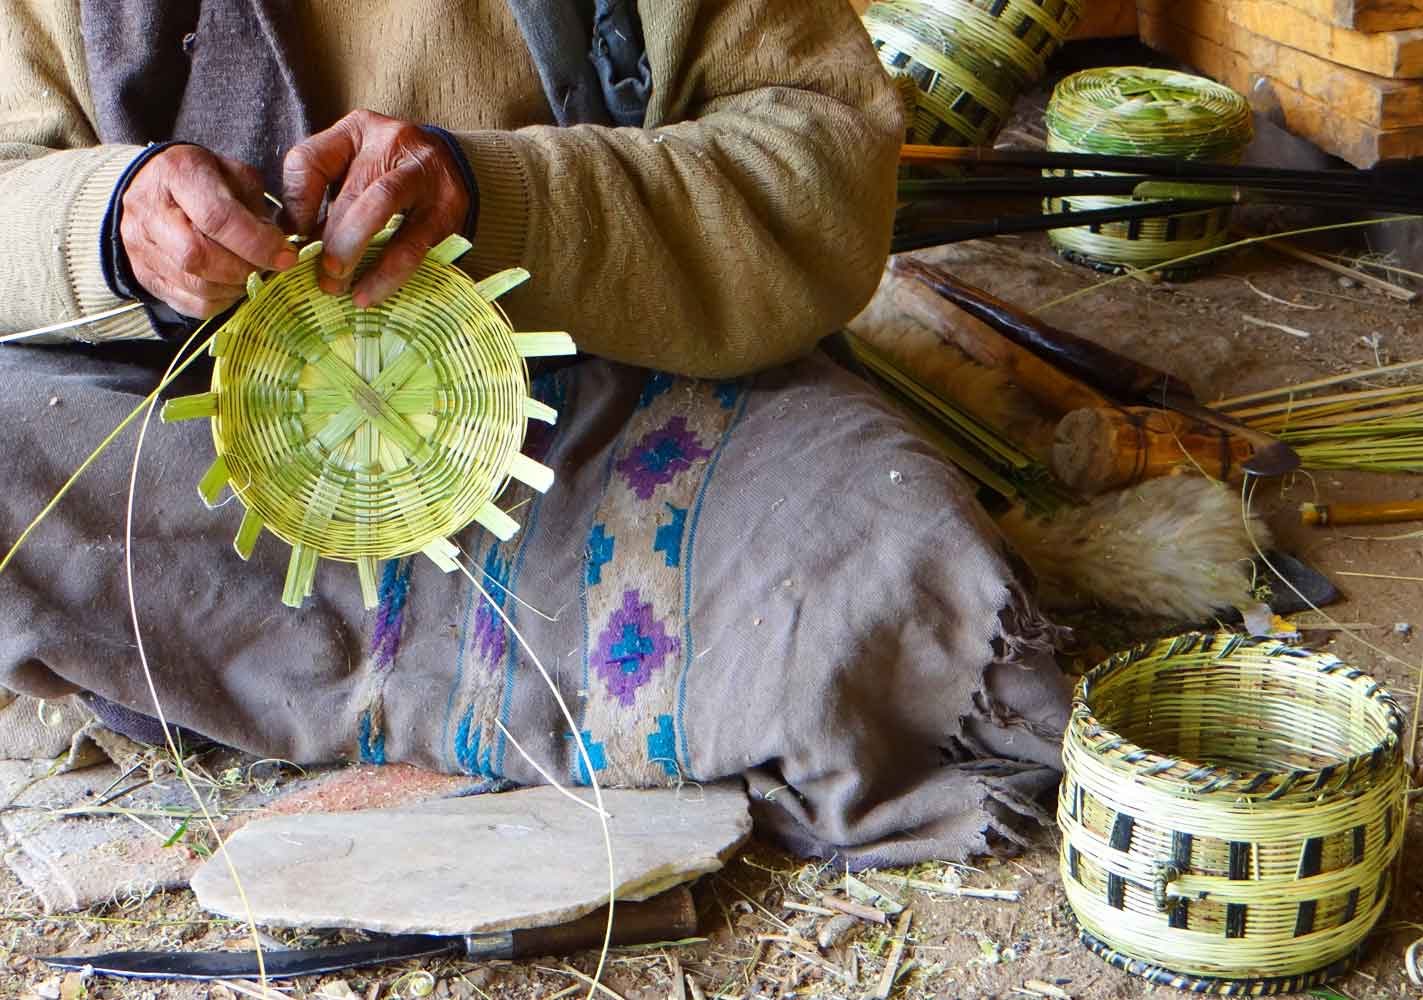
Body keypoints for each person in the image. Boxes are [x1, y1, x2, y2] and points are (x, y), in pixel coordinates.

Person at [0, 0, 1071, 869]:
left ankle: (263, 669)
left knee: (885, 542)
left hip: (585, 427)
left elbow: (827, 169)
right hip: (212, 445)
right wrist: (114, 220)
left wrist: (495, 192)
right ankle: (484, 686)